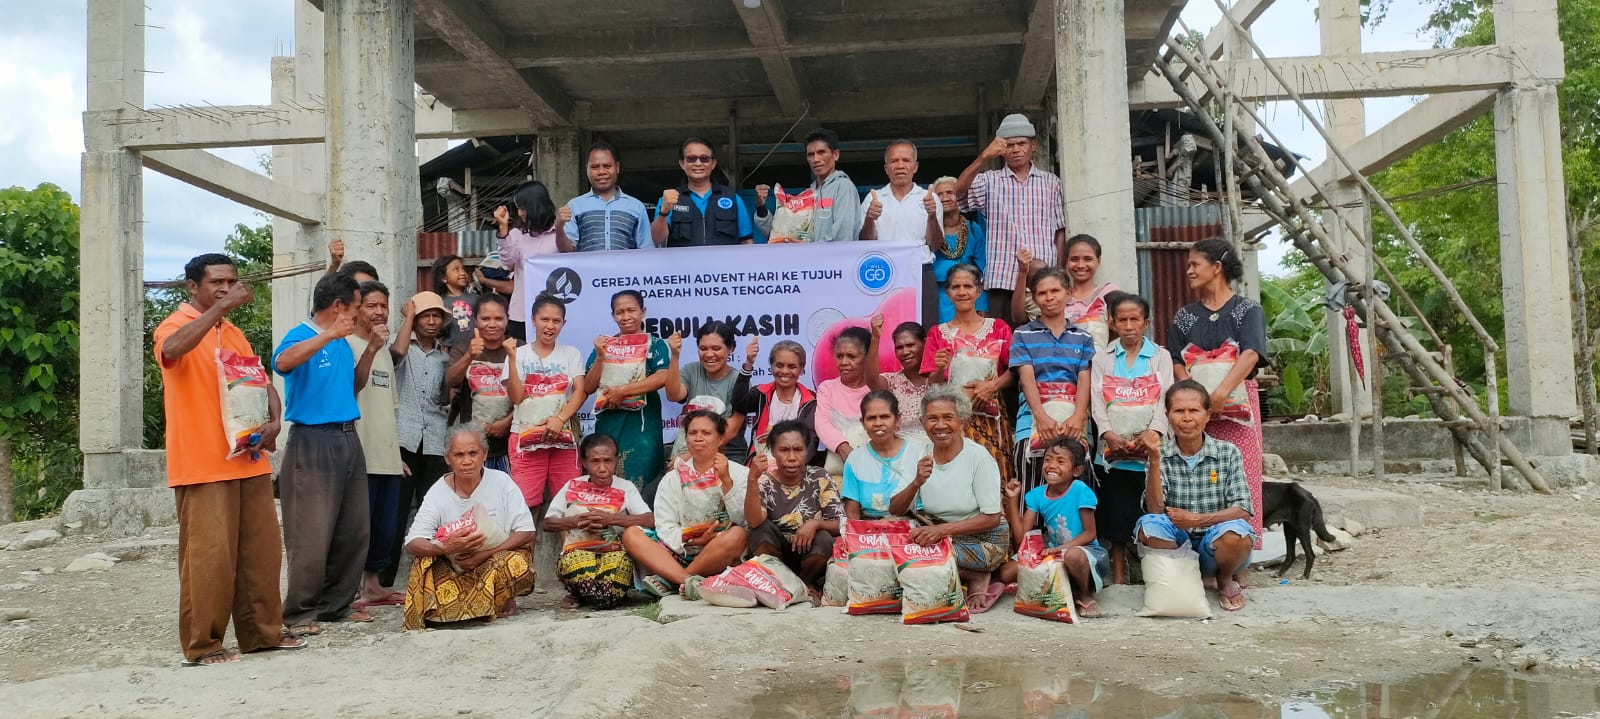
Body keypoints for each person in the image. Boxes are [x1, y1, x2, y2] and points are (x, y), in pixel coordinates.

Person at [154, 253, 303, 666]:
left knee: (261, 554)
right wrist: (220, 310)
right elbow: (171, 350)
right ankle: (204, 645)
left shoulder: (234, 333)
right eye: (216, 282)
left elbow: (262, 382)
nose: (225, 288)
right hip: (203, 463)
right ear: (192, 287)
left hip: (248, 458)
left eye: (230, 281)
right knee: (209, 559)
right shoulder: (175, 325)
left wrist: (275, 421)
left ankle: (262, 635)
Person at [272, 273, 371, 636]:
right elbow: (282, 363)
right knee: (310, 531)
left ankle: (335, 606)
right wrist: (327, 336)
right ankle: (299, 612)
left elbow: (351, 386)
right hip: (312, 440)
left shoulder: (343, 342)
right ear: (338, 306)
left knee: (353, 528)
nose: (361, 313)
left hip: (347, 437)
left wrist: (372, 348)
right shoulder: (301, 334)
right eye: (357, 306)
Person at [1165, 237, 1268, 545]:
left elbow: (1251, 353)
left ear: (1217, 267)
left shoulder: (1247, 309)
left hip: (1237, 406)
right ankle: (1195, 545)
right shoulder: (1185, 316)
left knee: (1242, 473)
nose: (1189, 271)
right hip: (1194, 411)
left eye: (1194, 264)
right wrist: (1193, 398)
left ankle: (1240, 548)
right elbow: (1175, 359)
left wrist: (1221, 393)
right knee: (1197, 475)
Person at [1136, 380, 1256, 611]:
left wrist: (1197, 520)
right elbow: (1155, 510)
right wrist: (1154, 460)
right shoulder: (1160, 454)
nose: (1186, 418)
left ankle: (1224, 577)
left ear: (1207, 415)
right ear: (1167, 415)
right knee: (1149, 525)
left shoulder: (1227, 452)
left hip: (1216, 545)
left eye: (1194, 410)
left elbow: (1243, 510)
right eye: (1179, 411)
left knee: (1237, 534)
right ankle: (1184, 578)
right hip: (1177, 545)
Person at [401, 428, 537, 629]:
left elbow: (527, 531)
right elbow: (413, 542)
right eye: (459, 455)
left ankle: (494, 599)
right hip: (457, 568)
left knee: (516, 562)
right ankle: (479, 605)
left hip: (495, 562)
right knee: (423, 561)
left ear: (484, 454)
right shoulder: (438, 491)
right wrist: (444, 548)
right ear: (447, 458)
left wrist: (484, 555)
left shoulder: (502, 482)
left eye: (473, 453)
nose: (467, 461)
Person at [888, 388, 1009, 613]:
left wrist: (941, 531)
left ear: (962, 421)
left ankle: (975, 575)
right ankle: (961, 575)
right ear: (923, 423)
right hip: (941, 534)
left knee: (923, 551)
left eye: (948, 417)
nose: (940, 425)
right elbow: (895, 508)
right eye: (932, 418)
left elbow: (992, 518)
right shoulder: (919, 454)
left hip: (985, 541)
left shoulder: (978, 457)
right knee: (895, 540)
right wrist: (916, 482)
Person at [1088, 292, 1173, 584]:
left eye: (1134, 319)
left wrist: (1154, 431)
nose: (1128, 326)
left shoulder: (1160, 357)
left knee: (1153, 509)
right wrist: (1108, 433)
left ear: (1145, 322)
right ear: (1112, 323)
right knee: (1117, 512)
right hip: (1114, 452)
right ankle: (1119, 575)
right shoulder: (1103, 358)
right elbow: (1097, 401)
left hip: (1150, 450)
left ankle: (1155, 572)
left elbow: (1165, 398)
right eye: (1122, 320)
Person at [620, 411, 750, 599]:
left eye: (706, 433)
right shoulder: (672, 478)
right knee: (632, 534)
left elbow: (744, 520)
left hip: (717, 551)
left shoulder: (739, 473)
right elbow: (665, 524)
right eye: (692, 433)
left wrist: (726, 481)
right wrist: (688, 540)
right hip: (678, 551)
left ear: (721, 439)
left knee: (738, 535)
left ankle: (673, 580)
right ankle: (689, 581)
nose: (698, 438)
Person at [955, 113, 1066, 325]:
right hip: (1002, 278)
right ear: (1001, 149)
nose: (1016, 149)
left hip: (1042, 280)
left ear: (1033, 145)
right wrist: (983, 157)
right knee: (1004, 340)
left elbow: (1059, 230)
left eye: (1021, 144)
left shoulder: (1051, 182)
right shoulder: (989, 181)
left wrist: (1059, 272)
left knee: (1042, 338)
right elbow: (957, 193)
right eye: (1009, 145)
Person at [382, 290, 453, 589]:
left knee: (432, 510)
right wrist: (408, 317)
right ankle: (383, 581)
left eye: (436, 316)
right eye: (426, 316)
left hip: (435, 440)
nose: (432, 321)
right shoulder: (398, 347)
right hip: (403, 438)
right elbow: (396, 355)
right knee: (395, 512)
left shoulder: (444, 357)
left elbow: (445, 399)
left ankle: (431, 577)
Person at [923, 264, 1015, 483]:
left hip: (991, 417)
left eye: (968, 286)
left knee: (996, 478)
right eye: (956, 287)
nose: (962, 292)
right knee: (957, 480)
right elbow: (933, 385)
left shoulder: (998, 328)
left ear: (979, 291)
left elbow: (1015, 371)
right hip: (952, 421)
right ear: (947, 293)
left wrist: (992, 386)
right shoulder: (937, 334)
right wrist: (939, 368)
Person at [998, 437, 1109, 617]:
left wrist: (1060, 549)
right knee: (1005, 573)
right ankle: (1062, 585)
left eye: (1060, 461)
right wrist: (1012, 499)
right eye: (1048, 460)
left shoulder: (1080, 490)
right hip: (1055, 553)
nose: (1051, 466)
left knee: (1073, 556)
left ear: (1077, 470)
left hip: (1086, 553)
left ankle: (1084, 594)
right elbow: (1021, 538)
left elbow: (1089, 534)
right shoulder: (1036, 495)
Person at [1009, 266, 1096, 494]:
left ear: (1068, 292)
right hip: (1032, 425)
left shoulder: (1083, 337)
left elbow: (1084, 380)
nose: (1049, 298)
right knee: (1031, 494)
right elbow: (1027, 379)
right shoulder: (1023, 335)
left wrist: (1078, 417)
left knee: (1075, 496)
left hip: (1074, 426)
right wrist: (1041, 418)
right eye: (1042, 293)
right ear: (1034, 298)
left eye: (1055, 291)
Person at [583, 290, 677, 499]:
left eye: (631, 310)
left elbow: (663, 376)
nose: (626, 316)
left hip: (643, 426)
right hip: (609, 423)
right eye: (620, 312)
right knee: (607, 477)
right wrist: (600, 357)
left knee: (644, 480)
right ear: (613, 315)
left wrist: (622, 391)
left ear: (643, 312)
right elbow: (588, 387)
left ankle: (641, 519)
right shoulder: (605, 344)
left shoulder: (655, 344)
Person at [543, 434, 653, 609]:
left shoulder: (625, 487)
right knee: (577, 566)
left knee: (609, 591)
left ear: (616, 461)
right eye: (595, 461)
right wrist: (576, 521)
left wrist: (611, 519)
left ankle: (585, 595)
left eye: (608, 461)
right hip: (578, 552)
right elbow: (548, 523)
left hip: (614, 553)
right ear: (584, 463)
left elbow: (649, 519)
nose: (602, 468)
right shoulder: (572, 485)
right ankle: (590, 593)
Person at [348, 281, 407, 609]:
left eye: (384, 305)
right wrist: (371, 348)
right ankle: (352, 589)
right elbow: (351, 391)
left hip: (386, 454)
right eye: (372, 305)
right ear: (356, 308)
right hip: (360, 452)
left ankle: (373, 586)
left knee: (384, 525)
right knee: (358, 525)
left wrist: (395, 453)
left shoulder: (383, 350)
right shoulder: (346, 345)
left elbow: (388, 408)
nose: (380, 312)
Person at [506, 294, 589, 514]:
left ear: (564, 323)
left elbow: (580, 391)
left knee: (569, 506)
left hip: (563, 440)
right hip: (525, 438)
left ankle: (568, 540)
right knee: (526, 508)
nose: (550, 326)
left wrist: (560, 419)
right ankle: (525, 540)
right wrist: (512, 360)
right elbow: (516, 397)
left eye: (556, 321)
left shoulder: (571, 354)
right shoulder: (518, 354)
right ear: (533, 320)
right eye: (544, 319)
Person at [744, 421, 843, 596]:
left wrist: (815, 524)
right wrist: (752, 479)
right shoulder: (764, 480)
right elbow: (754, 521)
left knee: (824, 537)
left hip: (809, 556)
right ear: (773, 451)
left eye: (798, 449)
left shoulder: (819, 477)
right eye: (784, 450)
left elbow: (841, 524)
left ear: (807, 451)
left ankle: (803, 584)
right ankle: (777, 583)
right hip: (776, 556)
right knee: (760, 531)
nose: (791, 457)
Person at [859, 140, 942, 320]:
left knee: (924, 327)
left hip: (920, 272)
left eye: (906, 160)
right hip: (883, 274)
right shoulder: (873, 199)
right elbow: (865, 245)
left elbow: (935, 245)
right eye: (894, 161)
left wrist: (932, 215)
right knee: (885, 328)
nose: (900, 165)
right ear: (886, 168)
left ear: (915, 167)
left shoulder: (929, 198)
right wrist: (870, 218)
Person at [447, 296, 517, 474]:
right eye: (485, 319)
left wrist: (508, 422)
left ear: (507, 319)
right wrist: (469, 356)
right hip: (472, 446)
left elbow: (529, 394)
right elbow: (451, 380)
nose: (492, 324)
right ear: (476, 320)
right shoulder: (464, 347)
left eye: (498, 318)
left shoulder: (518, 348)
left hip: (510, 445)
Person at [753, 128, 862, 243]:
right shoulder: (808, 194)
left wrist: (808, 248)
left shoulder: (843, 187)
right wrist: (761, 207)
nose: (816, 159)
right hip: (807, 255)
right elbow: (780, 233)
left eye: (821, 152)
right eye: (810, 154)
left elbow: (843, 239)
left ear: (835, 155)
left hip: (834, 255)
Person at [666, 321, 750, 461]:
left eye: (716, 348)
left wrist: (692, 456)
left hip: (726, 453)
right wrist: (675, 356)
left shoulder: (738, 380)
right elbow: (674, 395)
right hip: (687, 450)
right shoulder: (691, 370)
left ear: (730, 349)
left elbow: (732, 428)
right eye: (703, 348)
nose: (709, 354)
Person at [651, 137, 755, 247]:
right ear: (682, 163)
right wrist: (664, 212)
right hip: (683, 259)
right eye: (691, 159)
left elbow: (746, 241)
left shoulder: (733, 198)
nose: (698, 163)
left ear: (713, 164)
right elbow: (657, 239)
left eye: (704, 158)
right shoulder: (668, 200)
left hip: (724, 259)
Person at [841, 391, 929, 520]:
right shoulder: (855, 459)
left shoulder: (918, 452)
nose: (878, 423)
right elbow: (852, 513)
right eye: (871, 418)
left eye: (885, 417)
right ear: (862, 422)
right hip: (869, 527)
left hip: (913, 524)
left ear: (897, 419)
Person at [493, 181, 561, 341]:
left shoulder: (560, 233)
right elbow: (508, 262)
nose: (520, 213)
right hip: (522, 313)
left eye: (523, 208)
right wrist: (503, 228)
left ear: (535, 206)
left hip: (554, 312)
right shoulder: (516, 234)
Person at [557, 141, 653, 253]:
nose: (601, 172)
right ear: (587, 169)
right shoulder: (574, 206)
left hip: (626, 265)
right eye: (595, 167)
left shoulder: (636, 207)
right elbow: (567, 252)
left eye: (607, 166)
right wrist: (559, 227)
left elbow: (646, 251)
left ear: (617, 167)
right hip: (588, 266)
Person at [732, 339, 817, 459]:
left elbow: (811, 441)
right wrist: (748, 364)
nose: (785, 371)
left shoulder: (811, 400)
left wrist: (793, 464)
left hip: (796, 464)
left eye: (792, 367)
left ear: (801, 368)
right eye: (779, 365)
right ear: (771, 367)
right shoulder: (761, 393)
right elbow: (738, 404)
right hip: (760, 464)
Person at [1042, 234, 1119, 353]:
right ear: (1066, 261)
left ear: (1098, 261)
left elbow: (1120, 333)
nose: (1080, 265)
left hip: (1098, 362)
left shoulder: (1109, 293)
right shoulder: (1057, 296)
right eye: (1074, 259)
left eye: (1088, 259)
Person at [927, 176, 987, 323]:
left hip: (968, 295)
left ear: (960, 196)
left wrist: (981, 304)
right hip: (937, 296)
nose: (945, 198)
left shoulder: (973, 228)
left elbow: (983, 270)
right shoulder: (928, 230)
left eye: (950, 193)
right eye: (939, 195)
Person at [815, 327, 875, 474]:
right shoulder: (827, 388)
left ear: (868, 357)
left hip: (874, 464)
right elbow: (822, 424)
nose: (844, 362)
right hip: (836, 466)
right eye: (839, 356)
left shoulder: (877, 388)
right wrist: (843, 447)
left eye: (851, 356)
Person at [864, 314, 929, 440]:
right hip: (900, 449)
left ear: (924, 343)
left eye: (910, 345)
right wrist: (875, 337)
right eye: (899, 347)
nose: (905, 352)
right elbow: (871, 380)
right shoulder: (891, 381)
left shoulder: (938, 379)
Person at [431, 254, 478, 350]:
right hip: (452, 351)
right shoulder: (440, 303)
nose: (462, 273)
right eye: (456, 269)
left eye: (463, 269)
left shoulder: (475, 299)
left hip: (475, 348)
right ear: (444, 278)